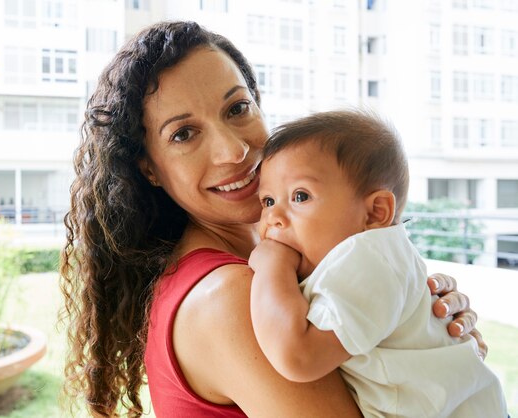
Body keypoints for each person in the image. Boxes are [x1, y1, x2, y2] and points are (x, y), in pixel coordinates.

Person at [60, 21, 486, 417]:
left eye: (237, 108)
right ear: (148, 168)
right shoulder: (231, 295)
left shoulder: (287, 260)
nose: (234, 151)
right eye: (184, 134)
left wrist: (426, 339)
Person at [249, 109, 507, 417]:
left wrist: (270, 267)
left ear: (375, 213)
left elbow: (299, 357)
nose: (273, 218)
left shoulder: (366, 259)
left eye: (300, 196)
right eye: (268, 201)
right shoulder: (367, 257)